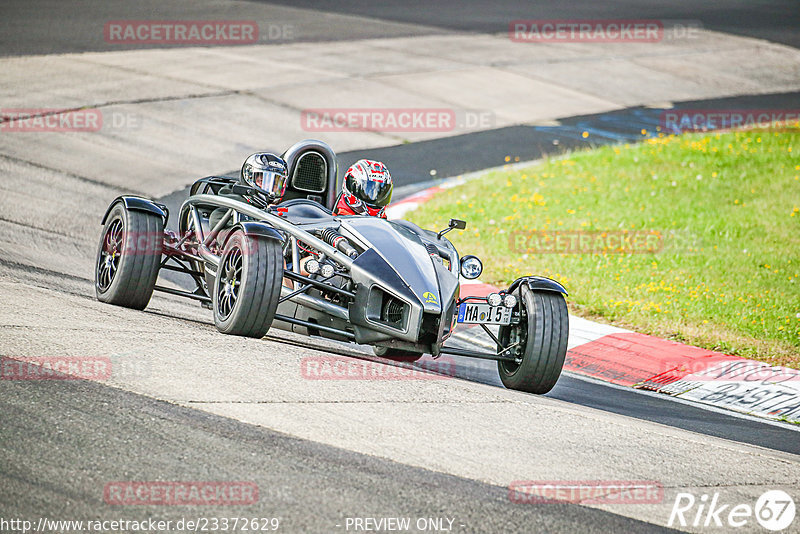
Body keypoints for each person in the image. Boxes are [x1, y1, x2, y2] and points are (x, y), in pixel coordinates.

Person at [208, 152, 289, 242]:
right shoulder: (229, 206)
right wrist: (264, 215)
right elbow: (230, 241)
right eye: (263, 181)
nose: (269, 187)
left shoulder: (282, 206)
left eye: (275, 184)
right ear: (249, 178)